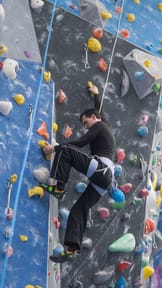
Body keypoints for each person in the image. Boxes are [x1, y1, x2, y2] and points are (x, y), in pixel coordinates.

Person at [42, 85, 116, 263]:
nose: (85, 127)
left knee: (66, 150)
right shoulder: (103, 124)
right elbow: (100, 111)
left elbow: (81, 142)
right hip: (105, 179)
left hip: (101, 169)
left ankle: (59, 188)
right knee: (78, 210)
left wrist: (55, 148)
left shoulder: (98, 126)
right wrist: (97, 95)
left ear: (93, 118)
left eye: (85, 123)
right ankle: (72, 249)